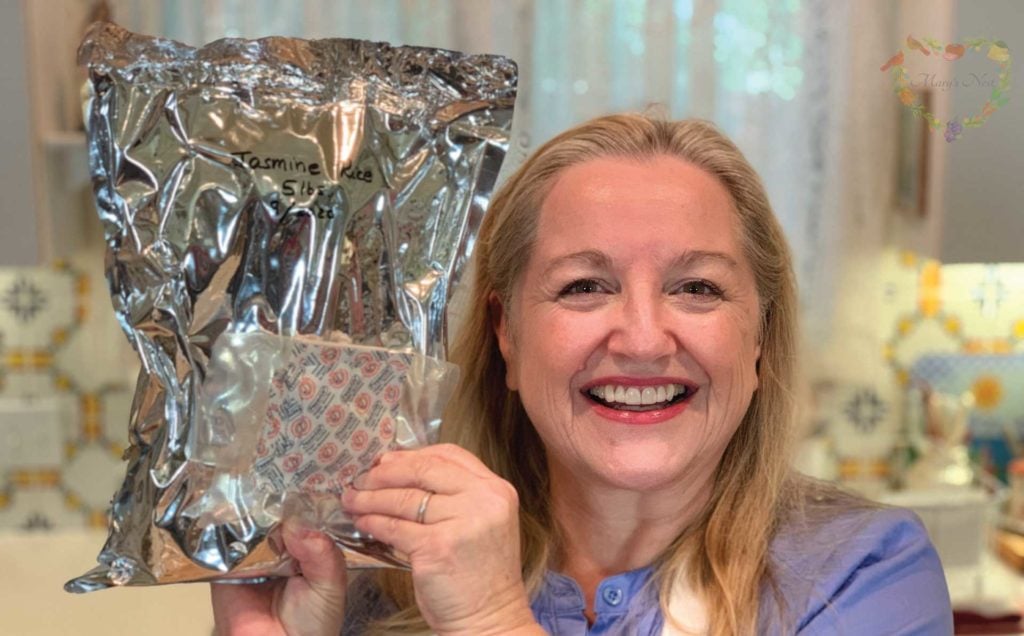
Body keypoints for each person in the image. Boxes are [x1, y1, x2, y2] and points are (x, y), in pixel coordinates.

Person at [211, 114, 954, 635]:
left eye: (697, 288)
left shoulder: (862, 576)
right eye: (582, 287)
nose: (639, 339)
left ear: (759, 338)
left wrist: (492, 621)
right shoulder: (378, 595)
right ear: (506, 333)